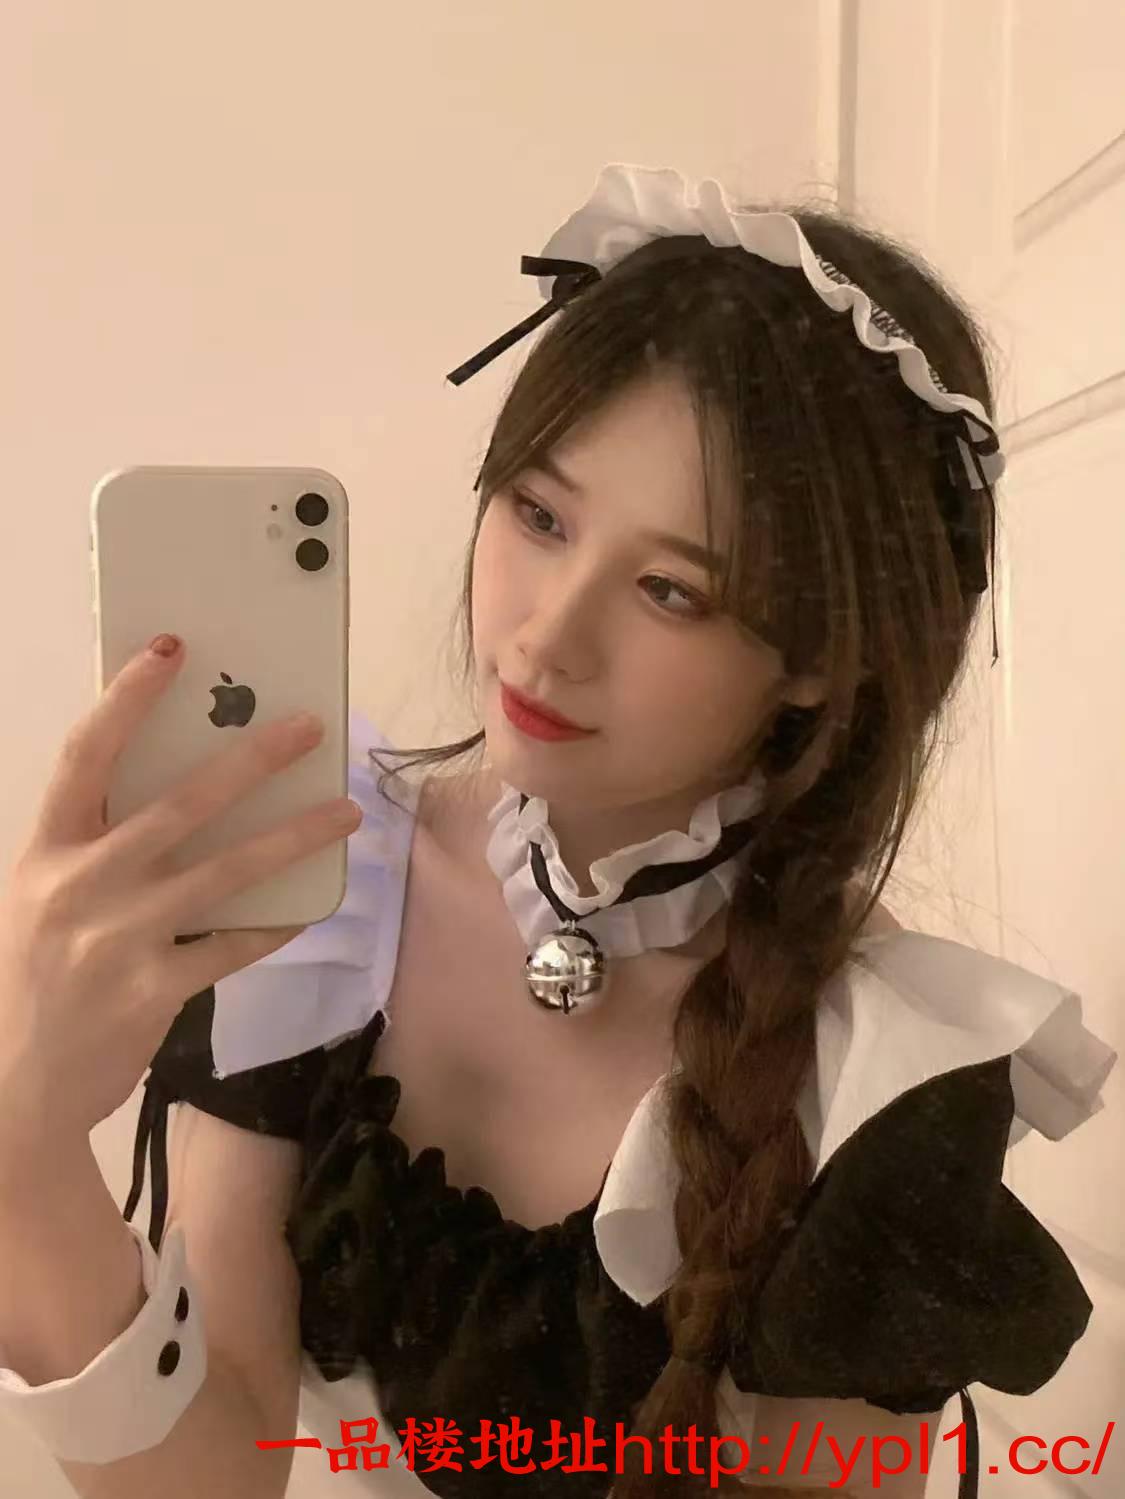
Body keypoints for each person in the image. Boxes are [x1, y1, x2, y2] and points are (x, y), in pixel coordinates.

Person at [0, 163, 1115, 1499]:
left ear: (821, 663)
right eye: (537, 515)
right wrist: (23, 1149)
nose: (544, 636)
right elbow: (208, 1478)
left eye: (670, 589)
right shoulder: (317, 893)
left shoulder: (879, 1071)